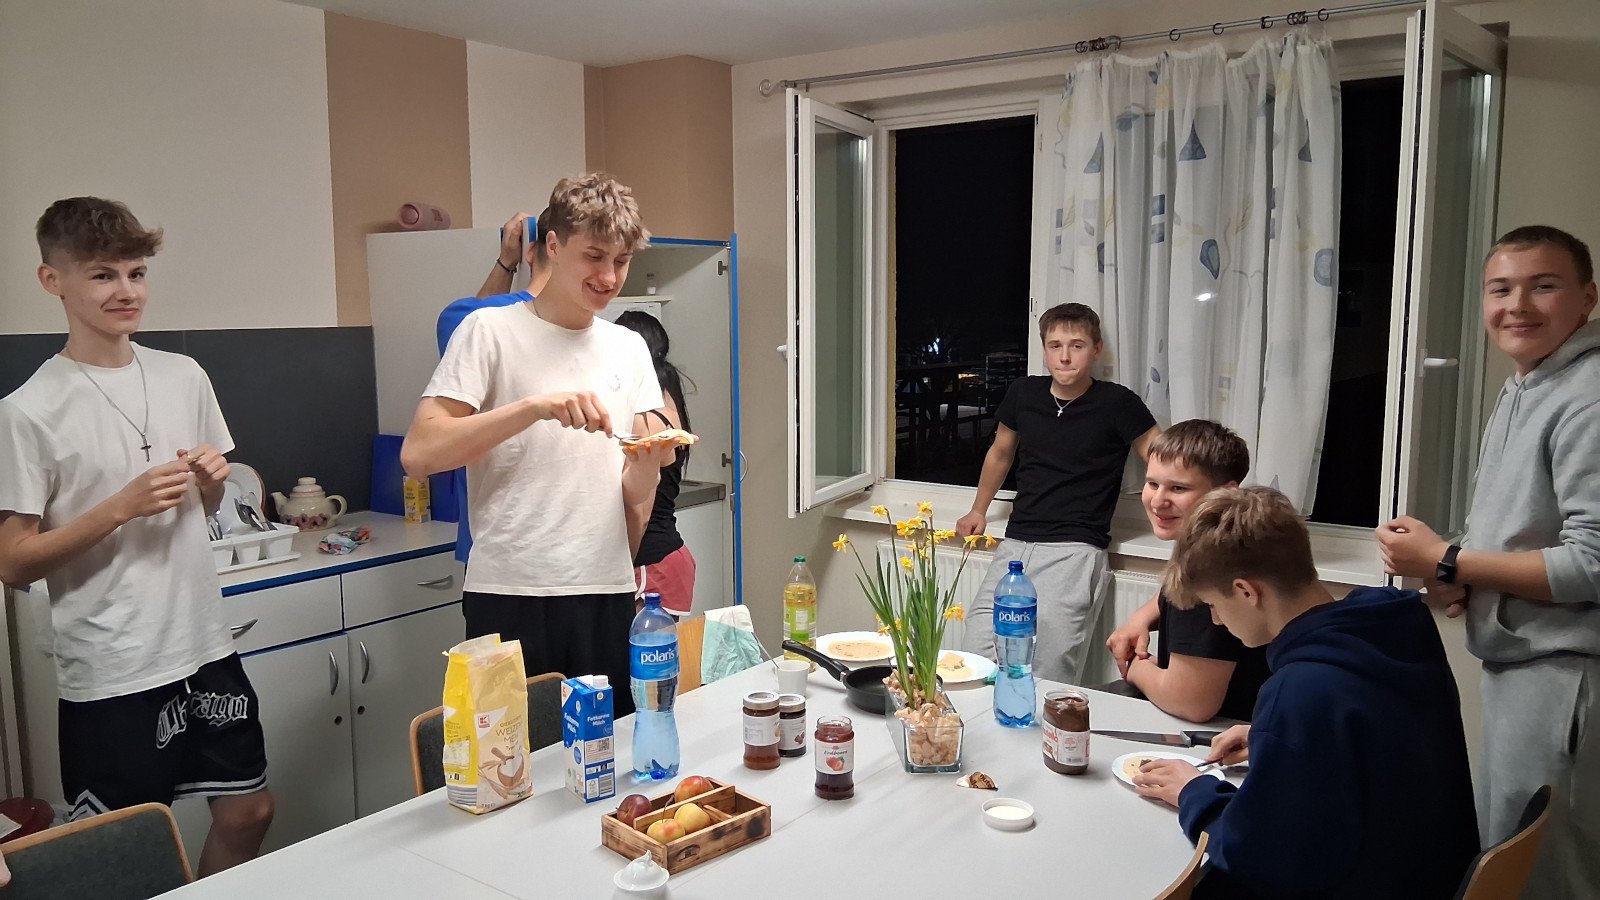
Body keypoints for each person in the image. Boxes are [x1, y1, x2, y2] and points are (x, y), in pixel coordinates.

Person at [0, 198, 274, 875]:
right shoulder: (27, 411)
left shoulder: (184, 375)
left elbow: (205, 507)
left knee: (250, 811)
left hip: (203, 644)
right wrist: (119, 507)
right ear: (52, 281)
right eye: (102, 275)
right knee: (126, 851)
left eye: (136, 273)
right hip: (115, 664)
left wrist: (211, 482)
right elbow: (13, 563)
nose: (126, 291)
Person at [1377, 224, 1599, 898]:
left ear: (1588, 298)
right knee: (1508, 852)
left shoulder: (1588, 394)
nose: (1518, 306)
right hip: (1522, 668)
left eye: (1543, 286)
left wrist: (1449, 557)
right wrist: (1451, 572)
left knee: (1545, 875)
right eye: (1500, 289)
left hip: (1566, 674)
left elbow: (1592, 562)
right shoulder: (1528, 384)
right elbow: (1521, 532)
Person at [401, 174, 675, 717]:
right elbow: (419, 454)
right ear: (553, 244)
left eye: (621, 261)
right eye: (593, 256)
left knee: (607, 752)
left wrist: (650, 461)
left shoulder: (627, 348)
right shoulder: (488, 331)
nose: (608, 277)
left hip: (604, 588)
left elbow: (633, 491)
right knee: (509, 759)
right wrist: (533, 408)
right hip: (510, 591)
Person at [1133, 486, 1477, 898]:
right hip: (1428, 872)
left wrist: (1194, 792)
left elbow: (1260, 857)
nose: (1218, 621)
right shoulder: (1396, 625)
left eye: (1213, 605)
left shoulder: (1299, 690)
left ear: (1246, 591)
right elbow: (1379, 735)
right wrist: (1274, 739)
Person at [958, 302, 1159, 682]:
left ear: (1096, 350)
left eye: (1076, 346)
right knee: (977, 657)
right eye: (1055, 346)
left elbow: (1161, 457)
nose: (1065, 357)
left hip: (1075, 549)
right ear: (1045, 349)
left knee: (1047, 669)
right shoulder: (1024, 393)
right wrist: (978, 510)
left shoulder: (1118, 403)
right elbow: (1001, 453)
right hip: (1016, 545)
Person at [1100, 420, 1271, 722]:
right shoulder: (1232, 539)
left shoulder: (1211, 567)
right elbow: (1172, 594)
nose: (1158, 501)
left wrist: (1134, 666)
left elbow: (1192, 703)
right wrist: (1141, 617)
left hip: (1224, 730)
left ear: (1226, 492)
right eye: (1153, 484)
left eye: (1178, 488)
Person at [436, 209, 555, 566]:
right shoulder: (605, 333)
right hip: (553, 548)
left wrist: (506, 262)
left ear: (531, 251)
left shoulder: (467, 322)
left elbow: (479, 318)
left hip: (495, 546)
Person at [614, 310, 697, 616]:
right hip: (668, 556)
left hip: (651, 563)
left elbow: (642, 512)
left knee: (643, 647)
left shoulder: (646, 418)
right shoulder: (668, 399)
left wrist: (620, 570)